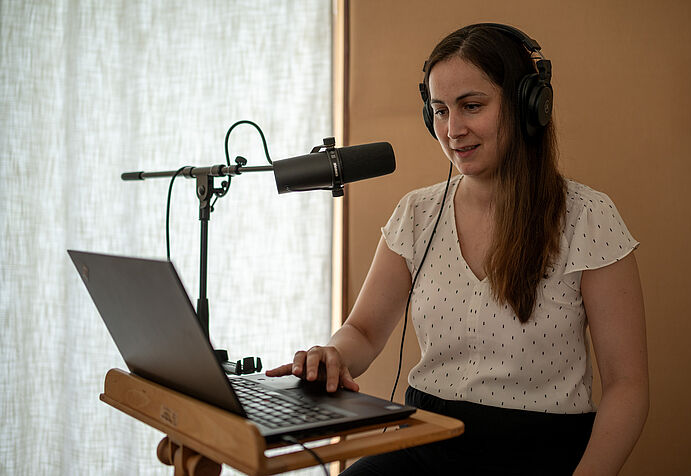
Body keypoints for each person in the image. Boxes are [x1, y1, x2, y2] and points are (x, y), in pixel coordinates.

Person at [267, 23, 649, 475]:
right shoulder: (416, 213)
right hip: (426, 440)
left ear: (531, 105)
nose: (453, 129)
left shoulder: (589, 217)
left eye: (472, 106)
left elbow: (627, 386)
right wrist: (332, 354)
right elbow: (364, 332)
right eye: (440, 111)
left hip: (541, 454)